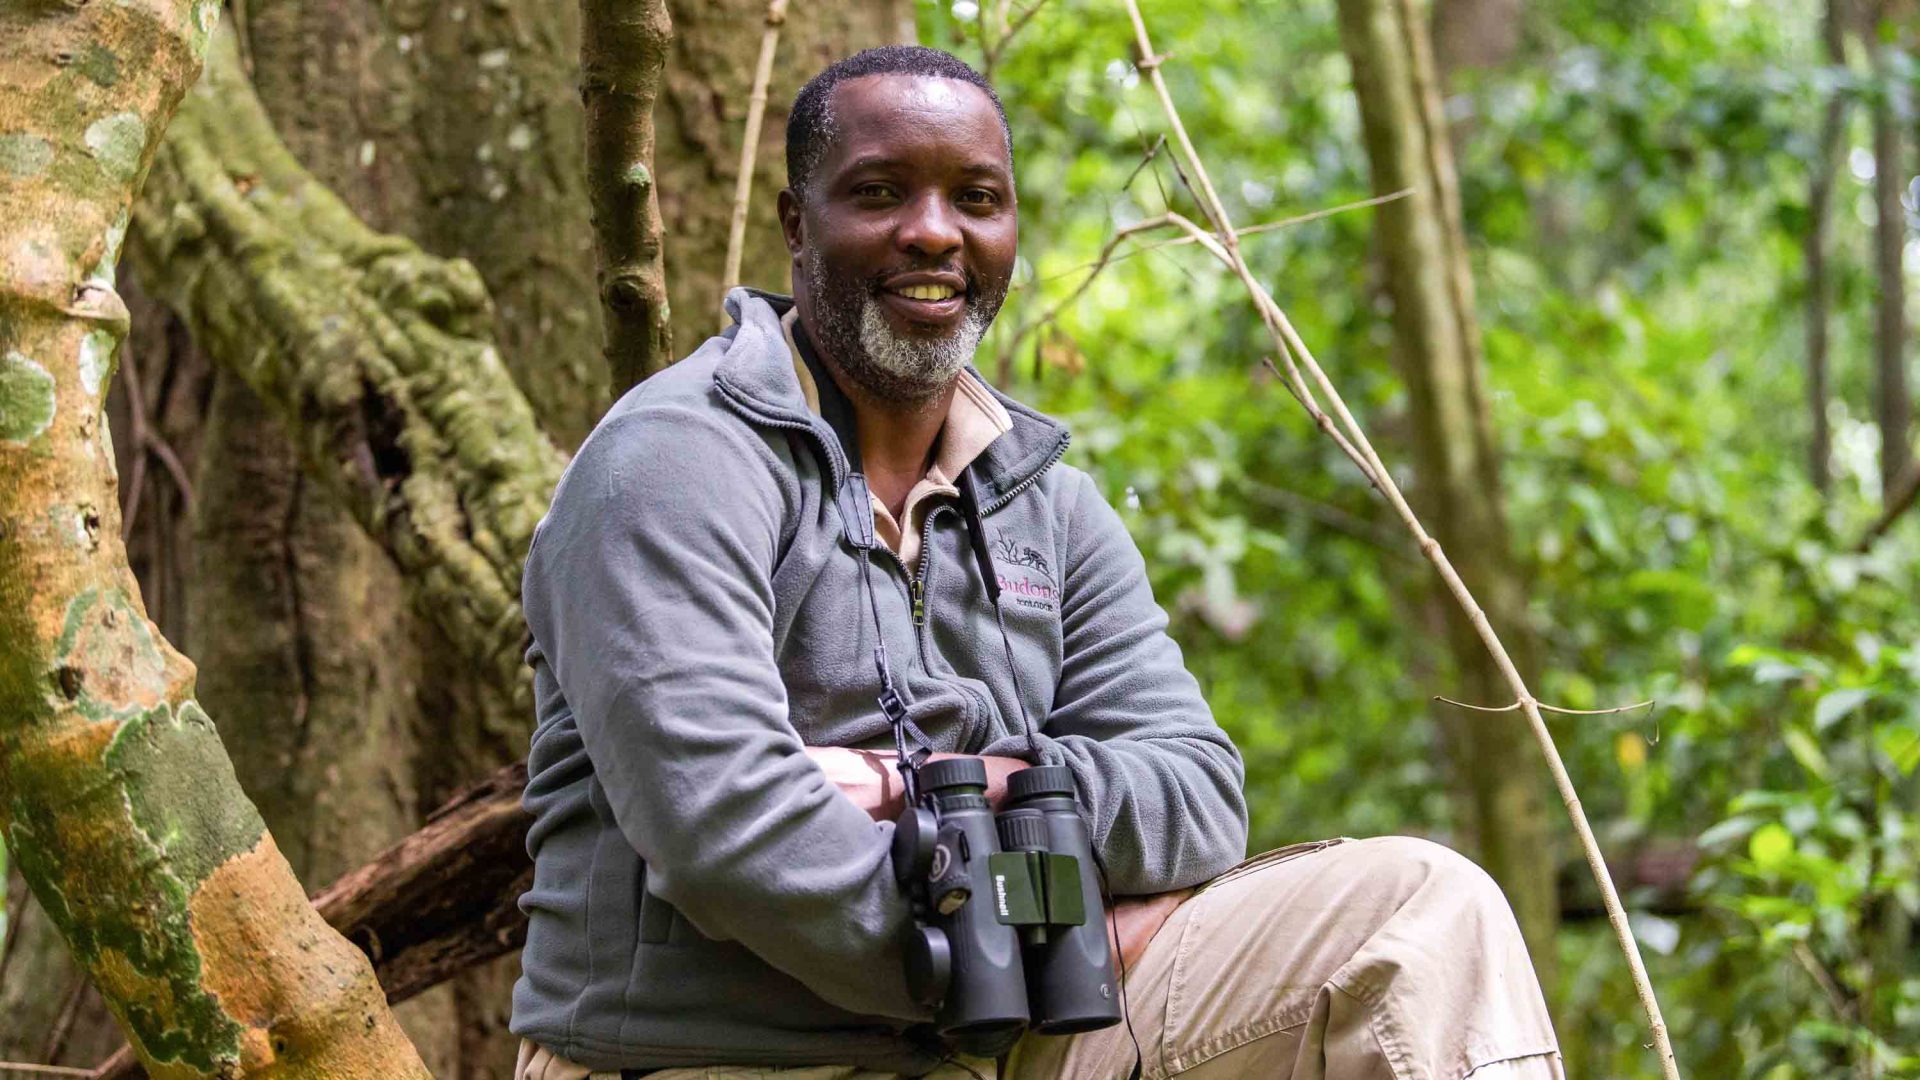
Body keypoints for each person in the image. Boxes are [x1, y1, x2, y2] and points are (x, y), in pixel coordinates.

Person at [510, 45, 1563, 1080]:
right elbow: (728, 830)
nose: (934, 232)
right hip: (720, 1058)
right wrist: (1040, 939)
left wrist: (925, 788)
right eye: (879, 193)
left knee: (1423, 909)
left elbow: (1196, 792)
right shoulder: (674, 462)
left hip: (1029, 1029)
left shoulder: (1040, 495)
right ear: (796, 222)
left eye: (976, 196)